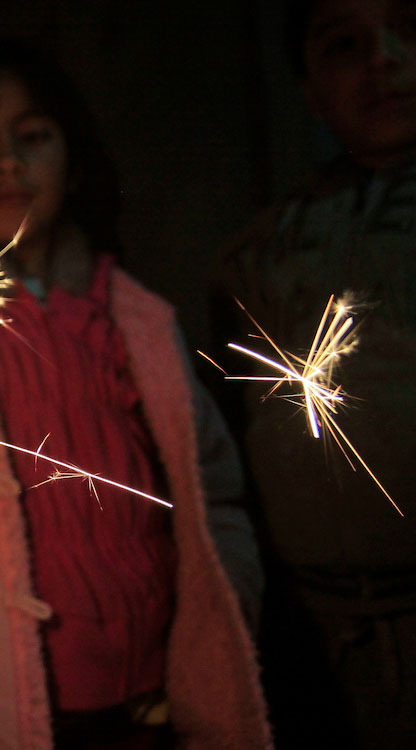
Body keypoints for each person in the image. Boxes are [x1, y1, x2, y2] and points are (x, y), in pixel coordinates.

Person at [0, 39, 270, 749]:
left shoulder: (135, 320)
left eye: (33, 136)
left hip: (155, 708)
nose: (7, 162)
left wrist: (222, 605)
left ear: (72, 159)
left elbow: (213, 497)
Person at [220, 1, 416, 747]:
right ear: (309, 92)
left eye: (409, 31)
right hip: (322, 628)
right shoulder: (260, 249)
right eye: (343, 45)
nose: (383, 60)